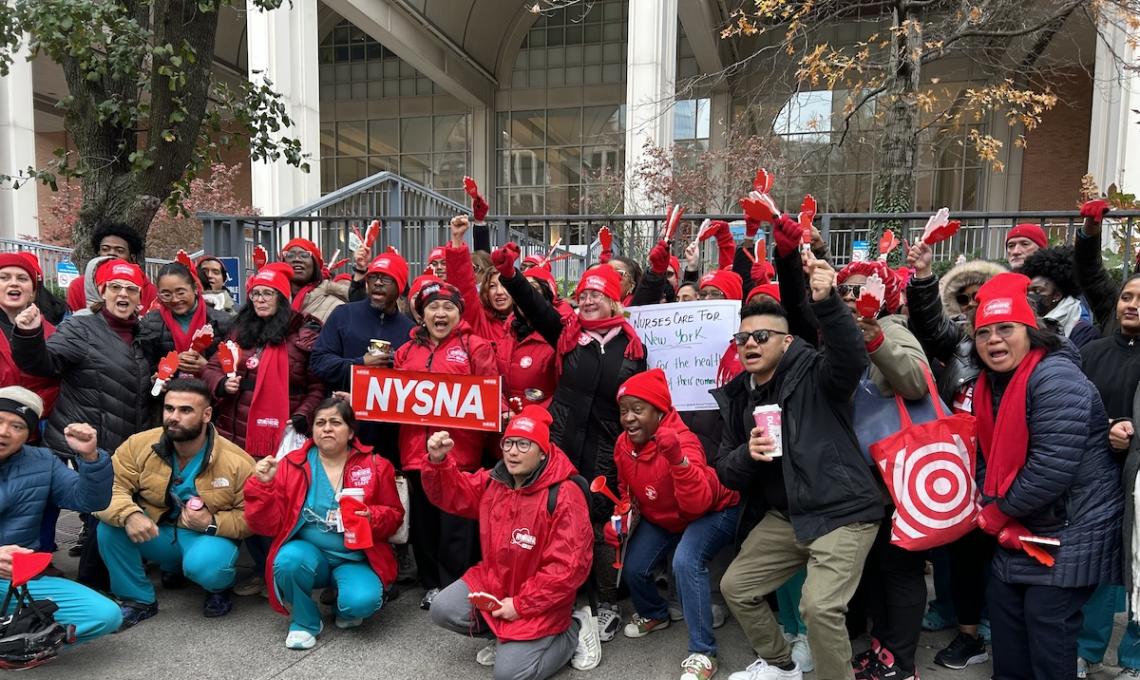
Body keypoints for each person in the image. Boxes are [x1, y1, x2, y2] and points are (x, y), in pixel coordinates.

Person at [715, 283, 881, 679]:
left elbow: (850, 356)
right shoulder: (740, 395)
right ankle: (781, 665)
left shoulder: (815, 373)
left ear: (787, 342)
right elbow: (724, 468)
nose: (749, 344)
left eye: (761, 336)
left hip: (842, 512)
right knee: (736, 586)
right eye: (742, 338)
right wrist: (746, 454)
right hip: (788, 516)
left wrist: (827, 302)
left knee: (819, 608)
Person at [970, 272, 1122, 679]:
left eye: (1005, 328)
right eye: (984, 332)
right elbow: (984, 453)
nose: (994, 340)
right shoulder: (990, 384)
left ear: (1030, 331)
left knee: (1047, 634)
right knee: (1005, 627)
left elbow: (1051, 467)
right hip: (1024, 523)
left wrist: (999, 511)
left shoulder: (1056, 377)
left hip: (1071, 526)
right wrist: (993, 504)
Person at [493, 245, 646, 639]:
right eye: (584, 294)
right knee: (553, 519)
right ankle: (567, 598)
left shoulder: (633, 346)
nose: (589, 300)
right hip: (560, 444)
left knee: (600, 526)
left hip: (606, 449)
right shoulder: (567, 333)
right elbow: (531, 301)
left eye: (598, 294)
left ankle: (606, 603)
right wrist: (511, 274)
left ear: (614, 300)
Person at [11, 259, 154, 590]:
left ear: (139, 297)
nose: (122, 294)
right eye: (115, 287)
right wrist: (30, 334)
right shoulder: (81, 329)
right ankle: (93, 589)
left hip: (125, 445)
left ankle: (101, 587)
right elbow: (42, 363)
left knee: (106, 518)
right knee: (98, 516)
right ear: (101, 292)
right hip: (85, 442)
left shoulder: (142, 334)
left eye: (130, 289)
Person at [424, 406, 597, 679]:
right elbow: (453, 494)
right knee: (443, 609)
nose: (512, 451)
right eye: (508, 443)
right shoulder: (496, 481)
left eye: (523, 444)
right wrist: (438, 461)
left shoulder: (565, 494)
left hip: (543, 599)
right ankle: (505, 637)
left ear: (543, 451)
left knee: (510, 675)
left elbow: (567, 569)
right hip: (495, 582)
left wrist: (520, 605)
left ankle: (574, 628)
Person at [904, 240, 1003, 669]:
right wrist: (925, 276)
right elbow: (932, 327)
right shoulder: (961, 347)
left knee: (1001, 561)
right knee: (962, 557)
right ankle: (969, 635)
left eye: (982, 298)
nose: (972, 305)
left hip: (1005, 473)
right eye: (964, 299)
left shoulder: (1030, 358)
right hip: (959, 471)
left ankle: (998, 626)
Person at [832, 260, 932, 680]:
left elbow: (916, 383)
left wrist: (877, 343)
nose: (852, 299)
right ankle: (882, 647)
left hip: (898, 473)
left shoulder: (891, 329)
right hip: (868, 475)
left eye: (861, 290)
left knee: (900, 567)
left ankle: (902, 662)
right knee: (876, 565)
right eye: (846, 291)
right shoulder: (841, 334)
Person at [244, 397, 404, 650]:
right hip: (309, 555)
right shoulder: (290, 465)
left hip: (356, 557)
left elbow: (395, 515)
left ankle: (344, 602)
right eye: (320, 423)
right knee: (286, 561)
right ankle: (305, 622)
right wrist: (262, 486)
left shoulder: (376, 465)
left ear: (351, 431)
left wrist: (373, 517)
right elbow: (265, 525)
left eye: (335, 422)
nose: (326, 428)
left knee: (361, 604)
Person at [610, 370, 740, 680]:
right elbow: (625, 489)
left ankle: (702, 652)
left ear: (660, 411)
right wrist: (622, 514)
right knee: (634, 566)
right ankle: (657, 614)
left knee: (686, 561)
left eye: (637, 409)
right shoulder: (623, 444)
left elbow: (697, 503)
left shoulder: (684, 442)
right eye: (623, 410)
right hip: (665, 515)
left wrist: (677, 460)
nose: (628, 418)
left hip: (712, 510)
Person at [95, 379, 254, 628]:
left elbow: (253, 517)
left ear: (206, 414)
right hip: (158, 530)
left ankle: (218, 588)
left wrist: (212, 523)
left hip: (206, 537)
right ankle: (138, 600)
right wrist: (129, 514)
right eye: (169, 409)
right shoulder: (139, 444)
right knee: (110, 527)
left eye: (186, 410)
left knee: (207, 568)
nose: (173, 417)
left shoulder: (237, 461)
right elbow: (105, 488)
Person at [394, 279, 496, 610]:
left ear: (459, 313)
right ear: (421, 315)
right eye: (433, 307)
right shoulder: (406, 351)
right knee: (424, 524)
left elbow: (489, 397)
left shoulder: (475, 347)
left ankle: (454, 585)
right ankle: (430, 583)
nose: (440, 313)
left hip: (459, 454)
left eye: (448, 307)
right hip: (415, 453)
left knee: (457, 526)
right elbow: (392, 397)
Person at [0, 387, 121, 643]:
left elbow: (90, 501)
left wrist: (90, 457)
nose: (4, 432)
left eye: (17, 426)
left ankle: (16, 645)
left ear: (28, 434)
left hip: (14, 579)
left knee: (105, 614)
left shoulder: (42, 461)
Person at [1079, 271, 1140, 678]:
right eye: (1127, 296)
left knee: (1139, 567)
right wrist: (1106, 431)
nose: (1131, 304)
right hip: (1098, 476)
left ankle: (1135, 660)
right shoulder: (1093, 352)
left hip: (1139, 478)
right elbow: (1075, 407)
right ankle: (1087, 651)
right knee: (1101, 567)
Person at [201, 263, 325, 457]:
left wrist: (304, 415)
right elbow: (211, 368)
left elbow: (318, 387)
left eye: (268, 293)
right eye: (255, 294)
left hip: (281, 434)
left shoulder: (304, 334)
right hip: (230, 433)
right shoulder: (240, 329)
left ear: (282, 297)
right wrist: (222, 383)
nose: (260, 300)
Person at [310, 250, 414, 465]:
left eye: (386, 279)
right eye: (373, 277)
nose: (377, 283)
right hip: (344, 427)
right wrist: (359, 363)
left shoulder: (410, 330)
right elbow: (318, 363)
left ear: (400, 286)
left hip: (389, 433)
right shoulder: (343, 314)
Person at [139, 262, 231, 378]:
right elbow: (145, 369)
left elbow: (233, 372)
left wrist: (206, 367)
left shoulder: (222, 322)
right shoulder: (149, 323)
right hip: (169, 394)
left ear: (195, 288)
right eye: (166, 295)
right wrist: (166, 369)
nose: (175, 299)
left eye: (181, 293)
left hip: (208, 393)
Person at [0, 253, 58, 415]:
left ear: (32, 292)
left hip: (39, 426)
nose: (14, 283)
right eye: (4, 278)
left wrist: (30, 410)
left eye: (22, 278)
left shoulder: (52, 333)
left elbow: (57, 383)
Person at [1018, 247, 1099, 348]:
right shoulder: (1023, 325)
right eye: (1027, 291)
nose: (1029, 296)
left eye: (1037, 291)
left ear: (1057, 296)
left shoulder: (1084, 332)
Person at [66, 223, 157, 312]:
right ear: (98, 252)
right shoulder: (78, 286)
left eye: (120, 251)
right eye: (105, 249)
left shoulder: (148, 290)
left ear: (131, 256)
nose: (112, 253)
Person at [279, 238, 348, 325]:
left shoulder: (335, 307)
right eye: (290, 255)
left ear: (315, 265)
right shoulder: (271, 301)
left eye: (304, 255)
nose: (297, 259)